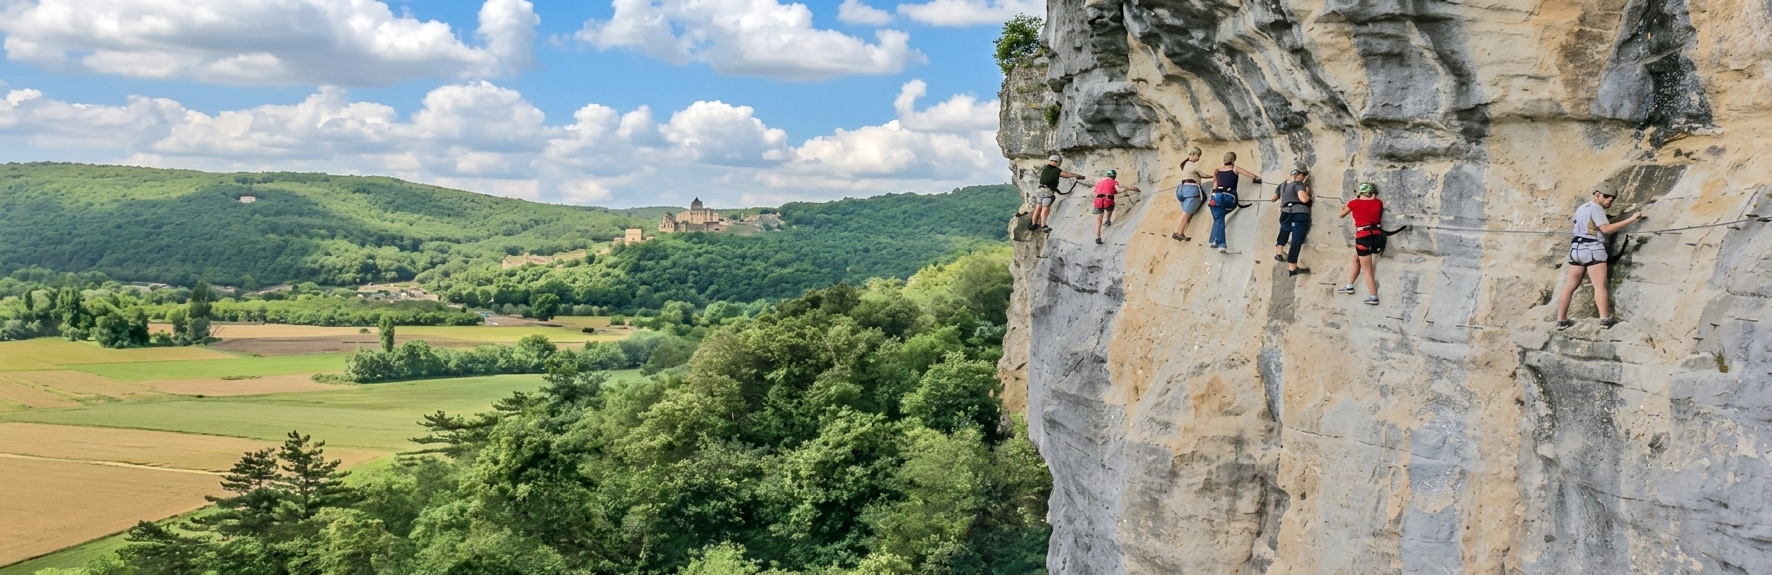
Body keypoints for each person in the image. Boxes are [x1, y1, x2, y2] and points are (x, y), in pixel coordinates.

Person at [1553, 182, 1645, 330]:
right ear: (1597, 195)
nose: (1610, 200)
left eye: (1612, 198)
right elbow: (1606, 229)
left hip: (1576, 249)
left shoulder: (1581, 208)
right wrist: (1632, 218)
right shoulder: (1597, 208)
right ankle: (1605, 319)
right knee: (1600, 286)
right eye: (1607, 196)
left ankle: (1561, 320)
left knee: (1569, 287)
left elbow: (1582, 224)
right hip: (1592, 249)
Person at [1337, 182, 1385, 304]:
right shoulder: (1378, 202)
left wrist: (1343, 208)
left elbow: (1341, 215)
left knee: (1367, 269)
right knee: (1356, 258)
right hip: (1377, 236)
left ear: (1359, 193)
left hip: (1363, 237)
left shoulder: (1354, 203)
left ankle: (1373, 296)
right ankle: (1349, 285)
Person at [1207, 152, 1261, 252]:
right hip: (1229, 197)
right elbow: (1250, 175)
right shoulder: (1234, 168)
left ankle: (1214, 240)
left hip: (1215, 198)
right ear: (1233, 160)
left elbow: (1214, 185)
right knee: (1220, 217)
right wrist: (1257, 178)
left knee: (1218, 217)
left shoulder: (1217, 170)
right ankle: (1221, 245)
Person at [1270, 168, 1312, 276]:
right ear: (1298, 174)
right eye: (1303, 175)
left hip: (1285, 212)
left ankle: (1279, 252)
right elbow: (1304, 199)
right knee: (1296, 239)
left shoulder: (1282, 185)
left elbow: (1273, 198)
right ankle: (1292, 267)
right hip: (1298, 213)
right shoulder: (1298, 184)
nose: (1303, 178)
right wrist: (1307, 193)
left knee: (1284, 229)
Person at [1032, 154, 1082, 233]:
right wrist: (1077, 176)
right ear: (1057, 163)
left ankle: (1033, 224)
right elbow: (1067, 175)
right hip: (1047, 192)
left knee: (1038, 207)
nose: (1054, 163)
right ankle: (1043, 225)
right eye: (1055, 161)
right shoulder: (1056, 170)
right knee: (1045, 208)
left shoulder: (1045, 168)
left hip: (1039, 190)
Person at [1093, 169, 1139, 245]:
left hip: (1098, 200)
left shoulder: (1099, 181)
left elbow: (1096, 191)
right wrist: (1126, 189)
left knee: (1098, 219)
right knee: (1110, 208)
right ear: (1114, 176)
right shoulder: (1114, 182)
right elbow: (1118, 189)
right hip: (1108, 200)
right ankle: (1108, 220)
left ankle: (1098, 237)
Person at [1172, 147, 1209, 241]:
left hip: (1181, 189)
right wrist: (1213, 176)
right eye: (1196, 156)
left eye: (1198, 156)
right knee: (1187, 213)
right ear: (1191, 155)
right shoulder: (1193, 165)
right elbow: (1202, 175)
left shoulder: (1186, 164)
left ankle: (1182, 230)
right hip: (1191, 189)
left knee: (1186, 211)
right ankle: (1179, 232)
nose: (1198, 158)